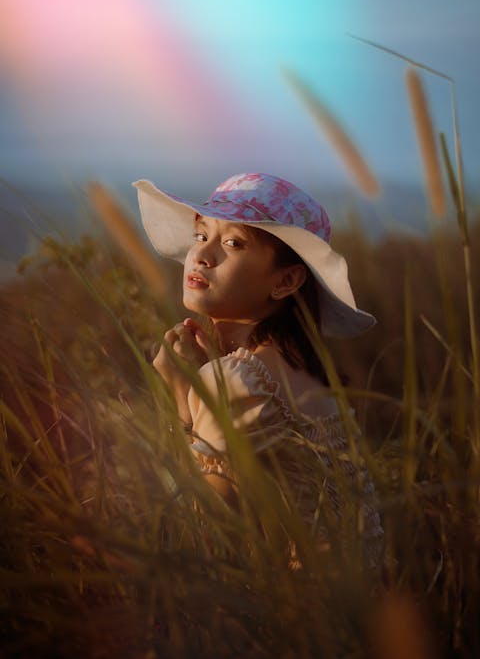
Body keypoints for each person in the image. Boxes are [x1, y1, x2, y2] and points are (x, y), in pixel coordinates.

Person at [134, 172, 383, 567]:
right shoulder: (309, 374)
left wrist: (182, 394)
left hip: (300, 619)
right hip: (360, 614)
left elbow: (203, 531)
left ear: (286, 280)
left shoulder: (237, 380)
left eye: (233, 243)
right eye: (201, 236)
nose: (202, 255)